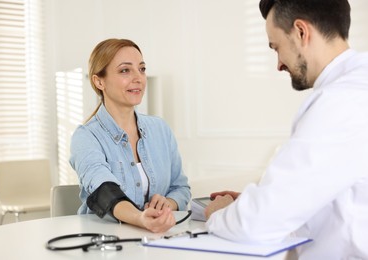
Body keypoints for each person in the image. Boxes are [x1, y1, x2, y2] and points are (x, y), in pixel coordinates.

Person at [204, 0, 368, 258]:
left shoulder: (339, 102)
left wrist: (219, 213)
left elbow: (257, 224)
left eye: (276, 47)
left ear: (301, 32)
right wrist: (260, 198)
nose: (278, 64)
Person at [70, 38, 191, 233]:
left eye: (141, 69)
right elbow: (103, 190)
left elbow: (181, 188)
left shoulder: (160, 129)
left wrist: (166, 204)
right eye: (125, 70)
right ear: (99, 81)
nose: (138, 78)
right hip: (106, 243)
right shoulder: (85, 137)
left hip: (156, 239)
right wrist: (140, 218)